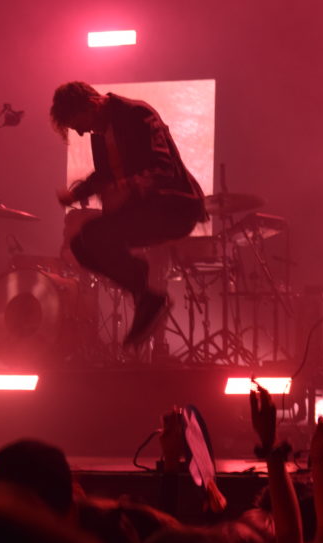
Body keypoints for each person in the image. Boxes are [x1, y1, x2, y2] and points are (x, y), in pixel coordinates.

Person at [50, 81, 208, 347]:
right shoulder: (100, 132)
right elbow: (104, 176)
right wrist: (76, 194)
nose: (80, 132)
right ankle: (147, 296)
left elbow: (163, 168)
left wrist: (127, 187)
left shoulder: (137, 114)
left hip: (175, 208)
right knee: (81, 246)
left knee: (94, 235)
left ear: (91, 104)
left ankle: (147, 293)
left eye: (78, 124)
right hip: (146, 210)